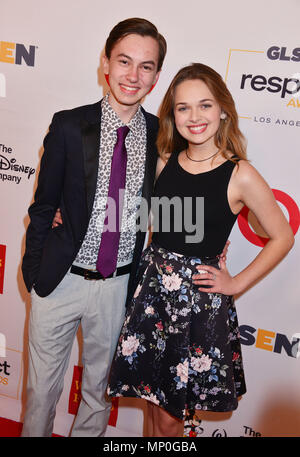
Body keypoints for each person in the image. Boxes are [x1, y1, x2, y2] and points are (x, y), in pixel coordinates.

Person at [107, 63, 294, 437]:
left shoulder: (240, 173)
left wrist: (236, 282)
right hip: (152, 295)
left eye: (205, 105)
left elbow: (283, 236)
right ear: (172, 114)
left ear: (223, 109)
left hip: (195, 305)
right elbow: (132, 211)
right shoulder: (165, 161)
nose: (194, 117)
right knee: (153, 407)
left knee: (170, 417)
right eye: (183, 107)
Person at [21, 17, 167, 437]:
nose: (132, 75)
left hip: (117, 287)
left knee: (99, 395)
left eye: (145, 66)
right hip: (60, 280)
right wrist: (36, 276)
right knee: (41, 392)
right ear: (106, 62)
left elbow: (175, 203)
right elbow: (43, 205)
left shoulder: (160, 134)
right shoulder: (69, 124)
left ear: (156, 76)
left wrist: (206, 239)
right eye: (124, 61)